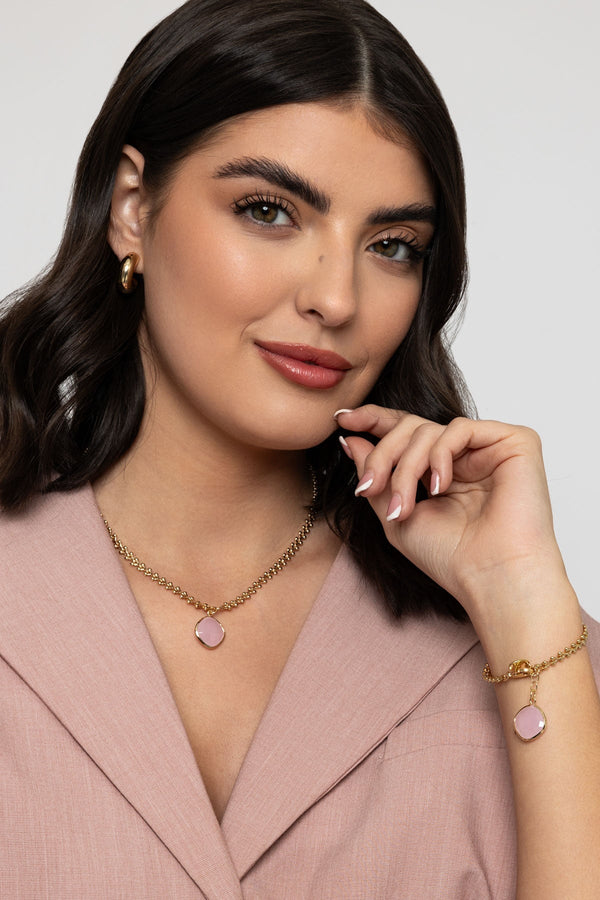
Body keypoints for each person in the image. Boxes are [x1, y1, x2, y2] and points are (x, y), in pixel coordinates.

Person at [1, 0, 599, 896]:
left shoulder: (529, 652)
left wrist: (525, 607)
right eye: (268, 211)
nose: (337, 297)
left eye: (392, 245)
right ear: (131, 210)